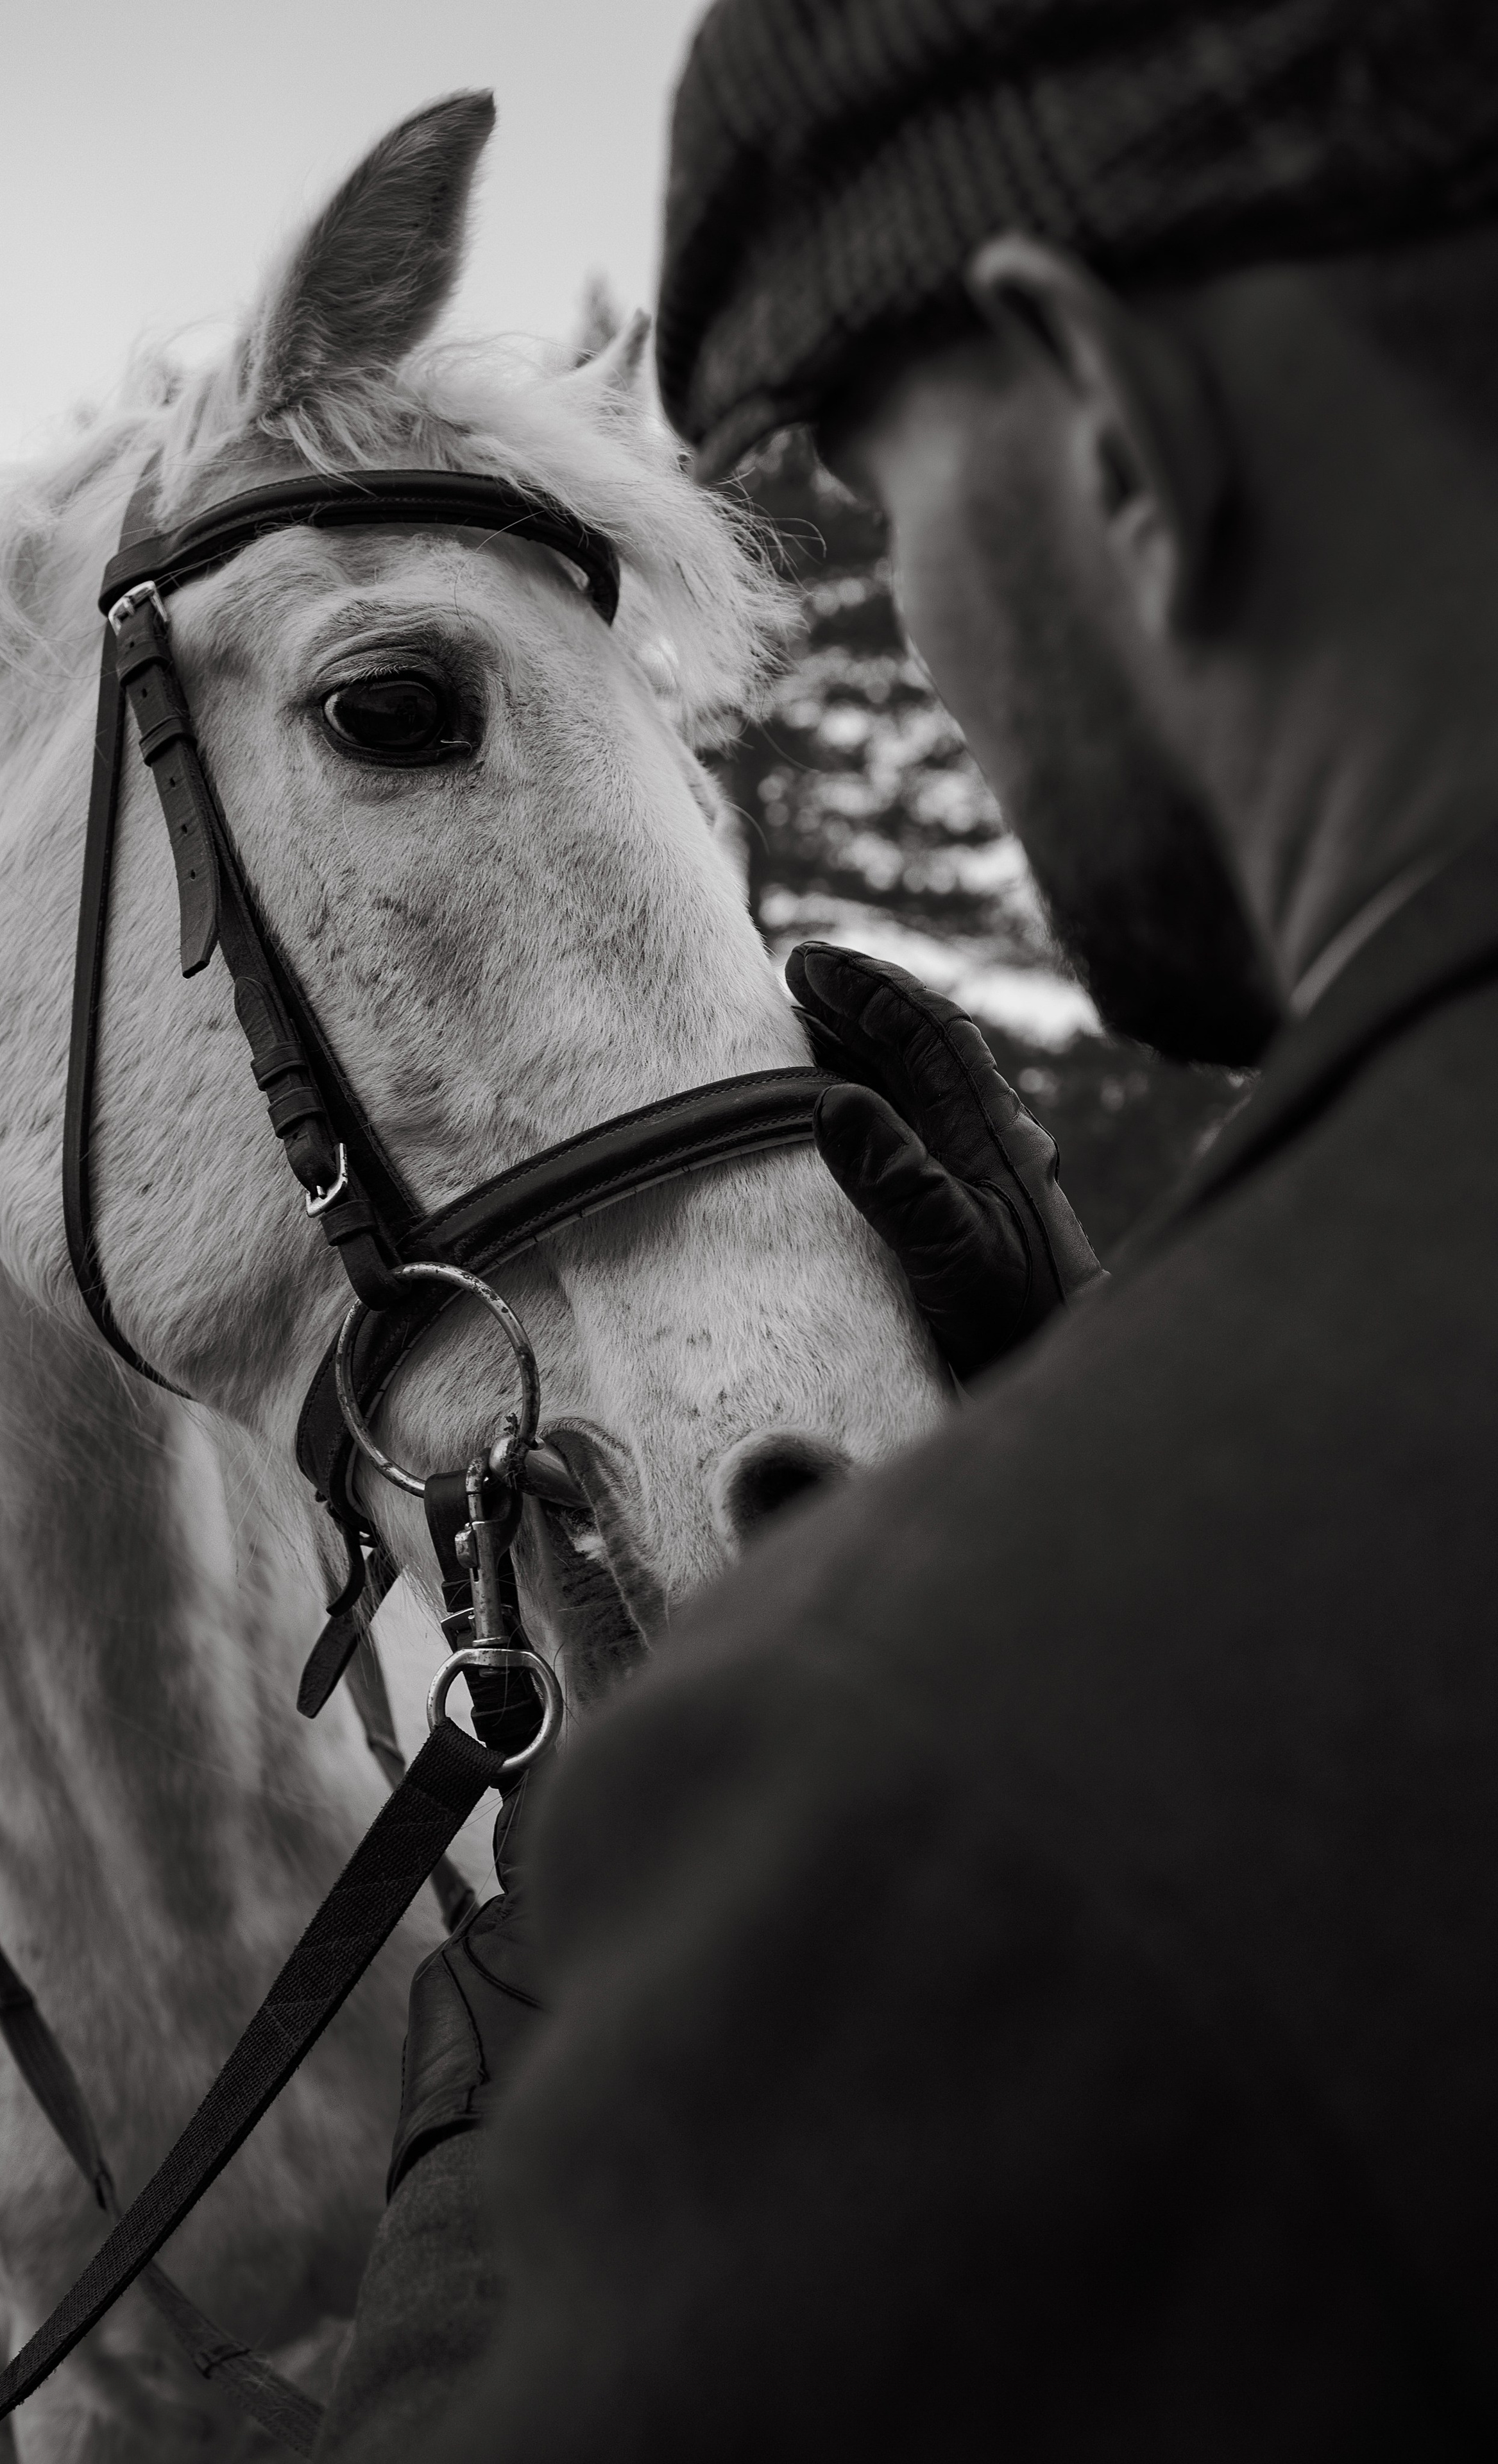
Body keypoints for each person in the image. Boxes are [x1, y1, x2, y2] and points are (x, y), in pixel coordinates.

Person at [319, 3, 1498, 2454]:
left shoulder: (914, 1791)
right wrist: (1106, 1423)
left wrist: (604, 1939)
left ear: (1112, 418)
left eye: (871, 482)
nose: (925, 654)